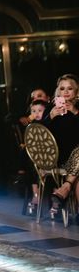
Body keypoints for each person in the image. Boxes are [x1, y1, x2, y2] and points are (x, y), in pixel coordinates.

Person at [46, 74, 79, 219]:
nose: (65, 92)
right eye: (62, 88)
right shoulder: (51, 110)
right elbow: (36, 134)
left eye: (70, 88)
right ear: (57, 92)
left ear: (77, 92)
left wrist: (75, 112)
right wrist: (50, 117)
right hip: (58, 157)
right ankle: (67, 186)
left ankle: (65, 187)